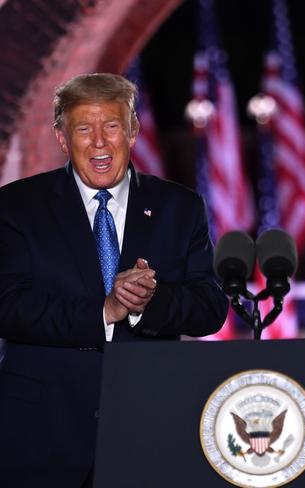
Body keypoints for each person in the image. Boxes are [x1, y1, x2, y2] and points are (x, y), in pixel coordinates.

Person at [0, 73, 228, 487]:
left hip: (149, 433)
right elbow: (8, 306)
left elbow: (210, 307)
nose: (100, 142)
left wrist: (149, 303)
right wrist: (105, 310)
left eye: (112, 126)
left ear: (133, 130)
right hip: (41, 438)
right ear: (62, 139)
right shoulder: (17, 207)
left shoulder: (179, 206)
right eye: (84, 129)